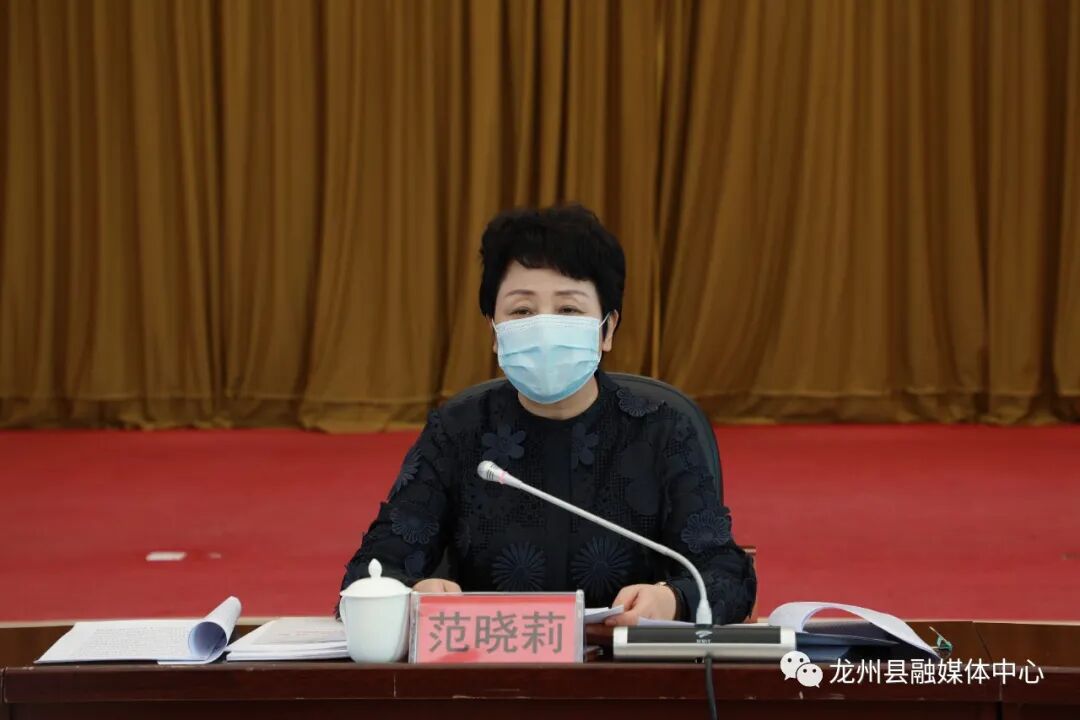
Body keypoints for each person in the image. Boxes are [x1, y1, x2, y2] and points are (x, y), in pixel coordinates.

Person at [340, 205, 756, 625]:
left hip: (622, 660)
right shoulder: (457, 432)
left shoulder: (661, 431)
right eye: (521, 311)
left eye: (568, 310)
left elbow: (726, 575)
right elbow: (369, 573)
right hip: (491, 659)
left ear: (608, 329)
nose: (543, 328)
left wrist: (674, 600)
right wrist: (411, 593)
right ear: (494, 332)